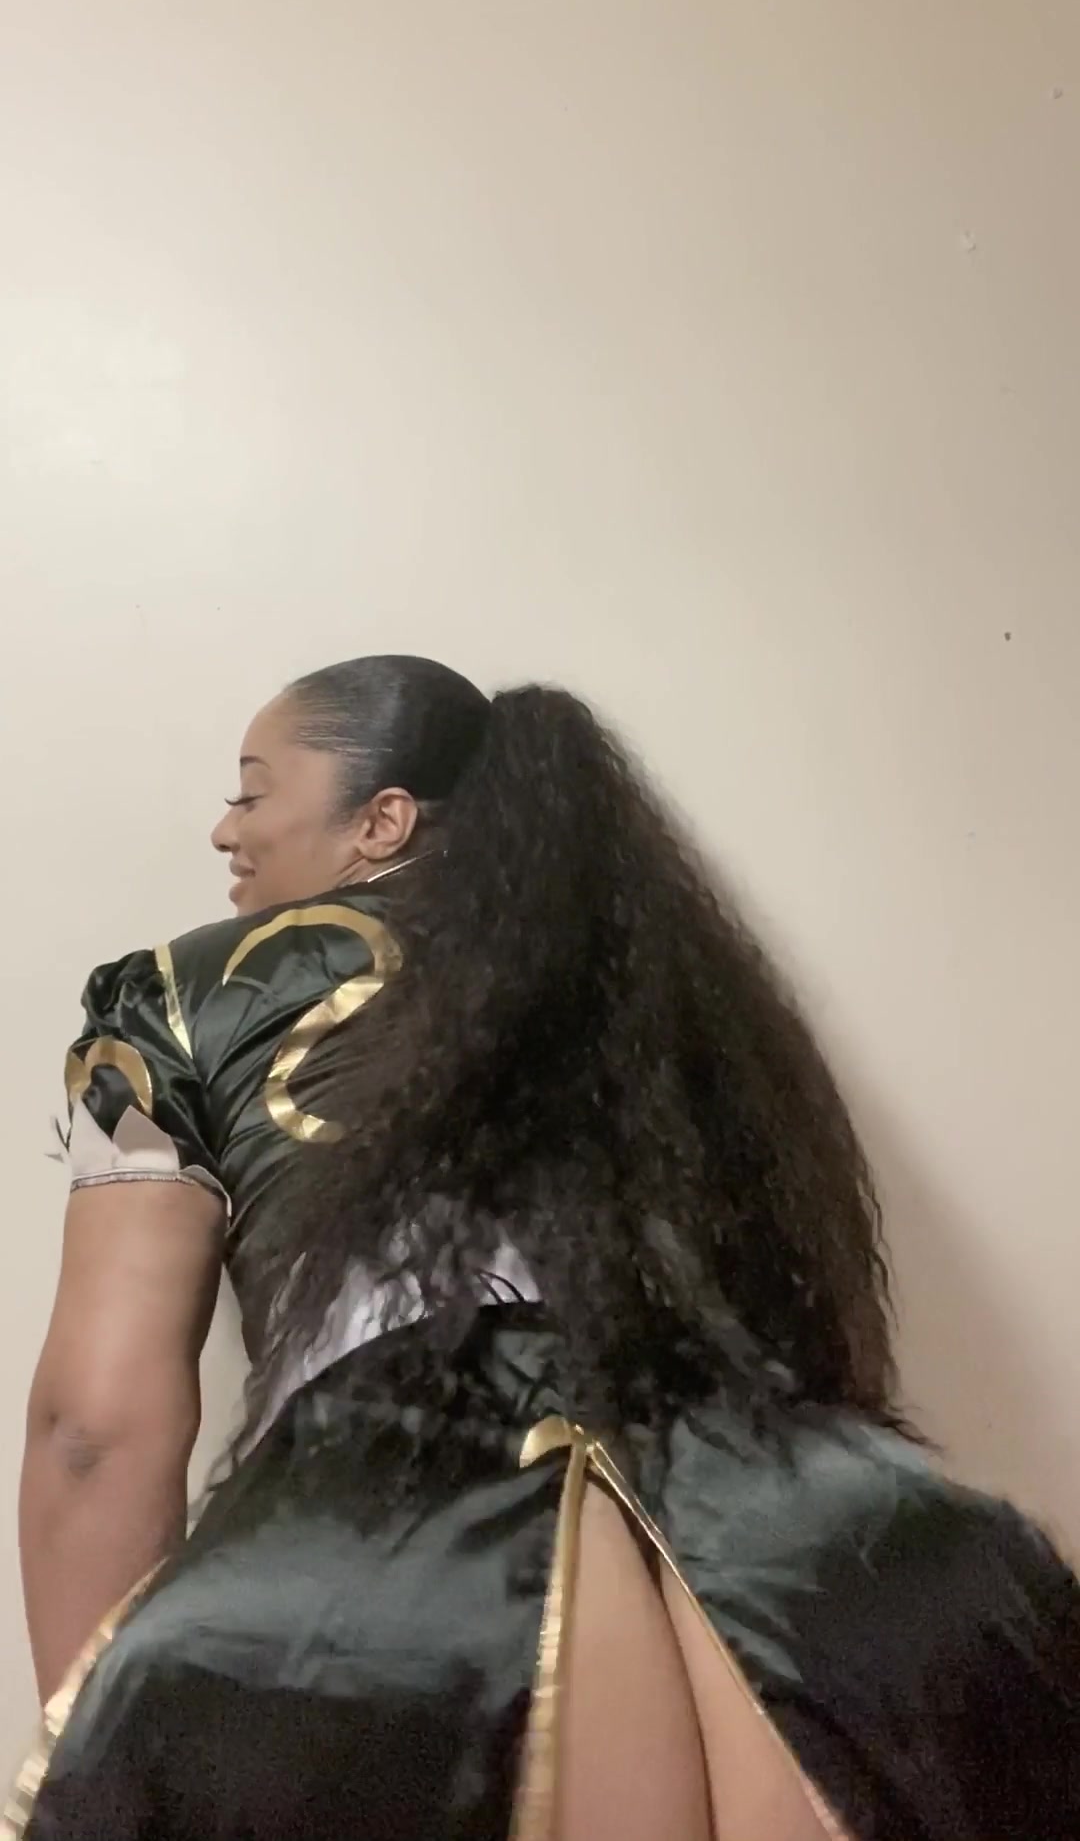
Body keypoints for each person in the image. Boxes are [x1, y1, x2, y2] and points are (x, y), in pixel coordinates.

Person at [12, 654, 1080, 1841]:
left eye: (253, 792)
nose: (226, 829)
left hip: (382, 1576)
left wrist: (89, 1750)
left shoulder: (173, 997)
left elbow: (93, 1431)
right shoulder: (663, 983)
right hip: (829, 1539)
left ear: (382, 820)